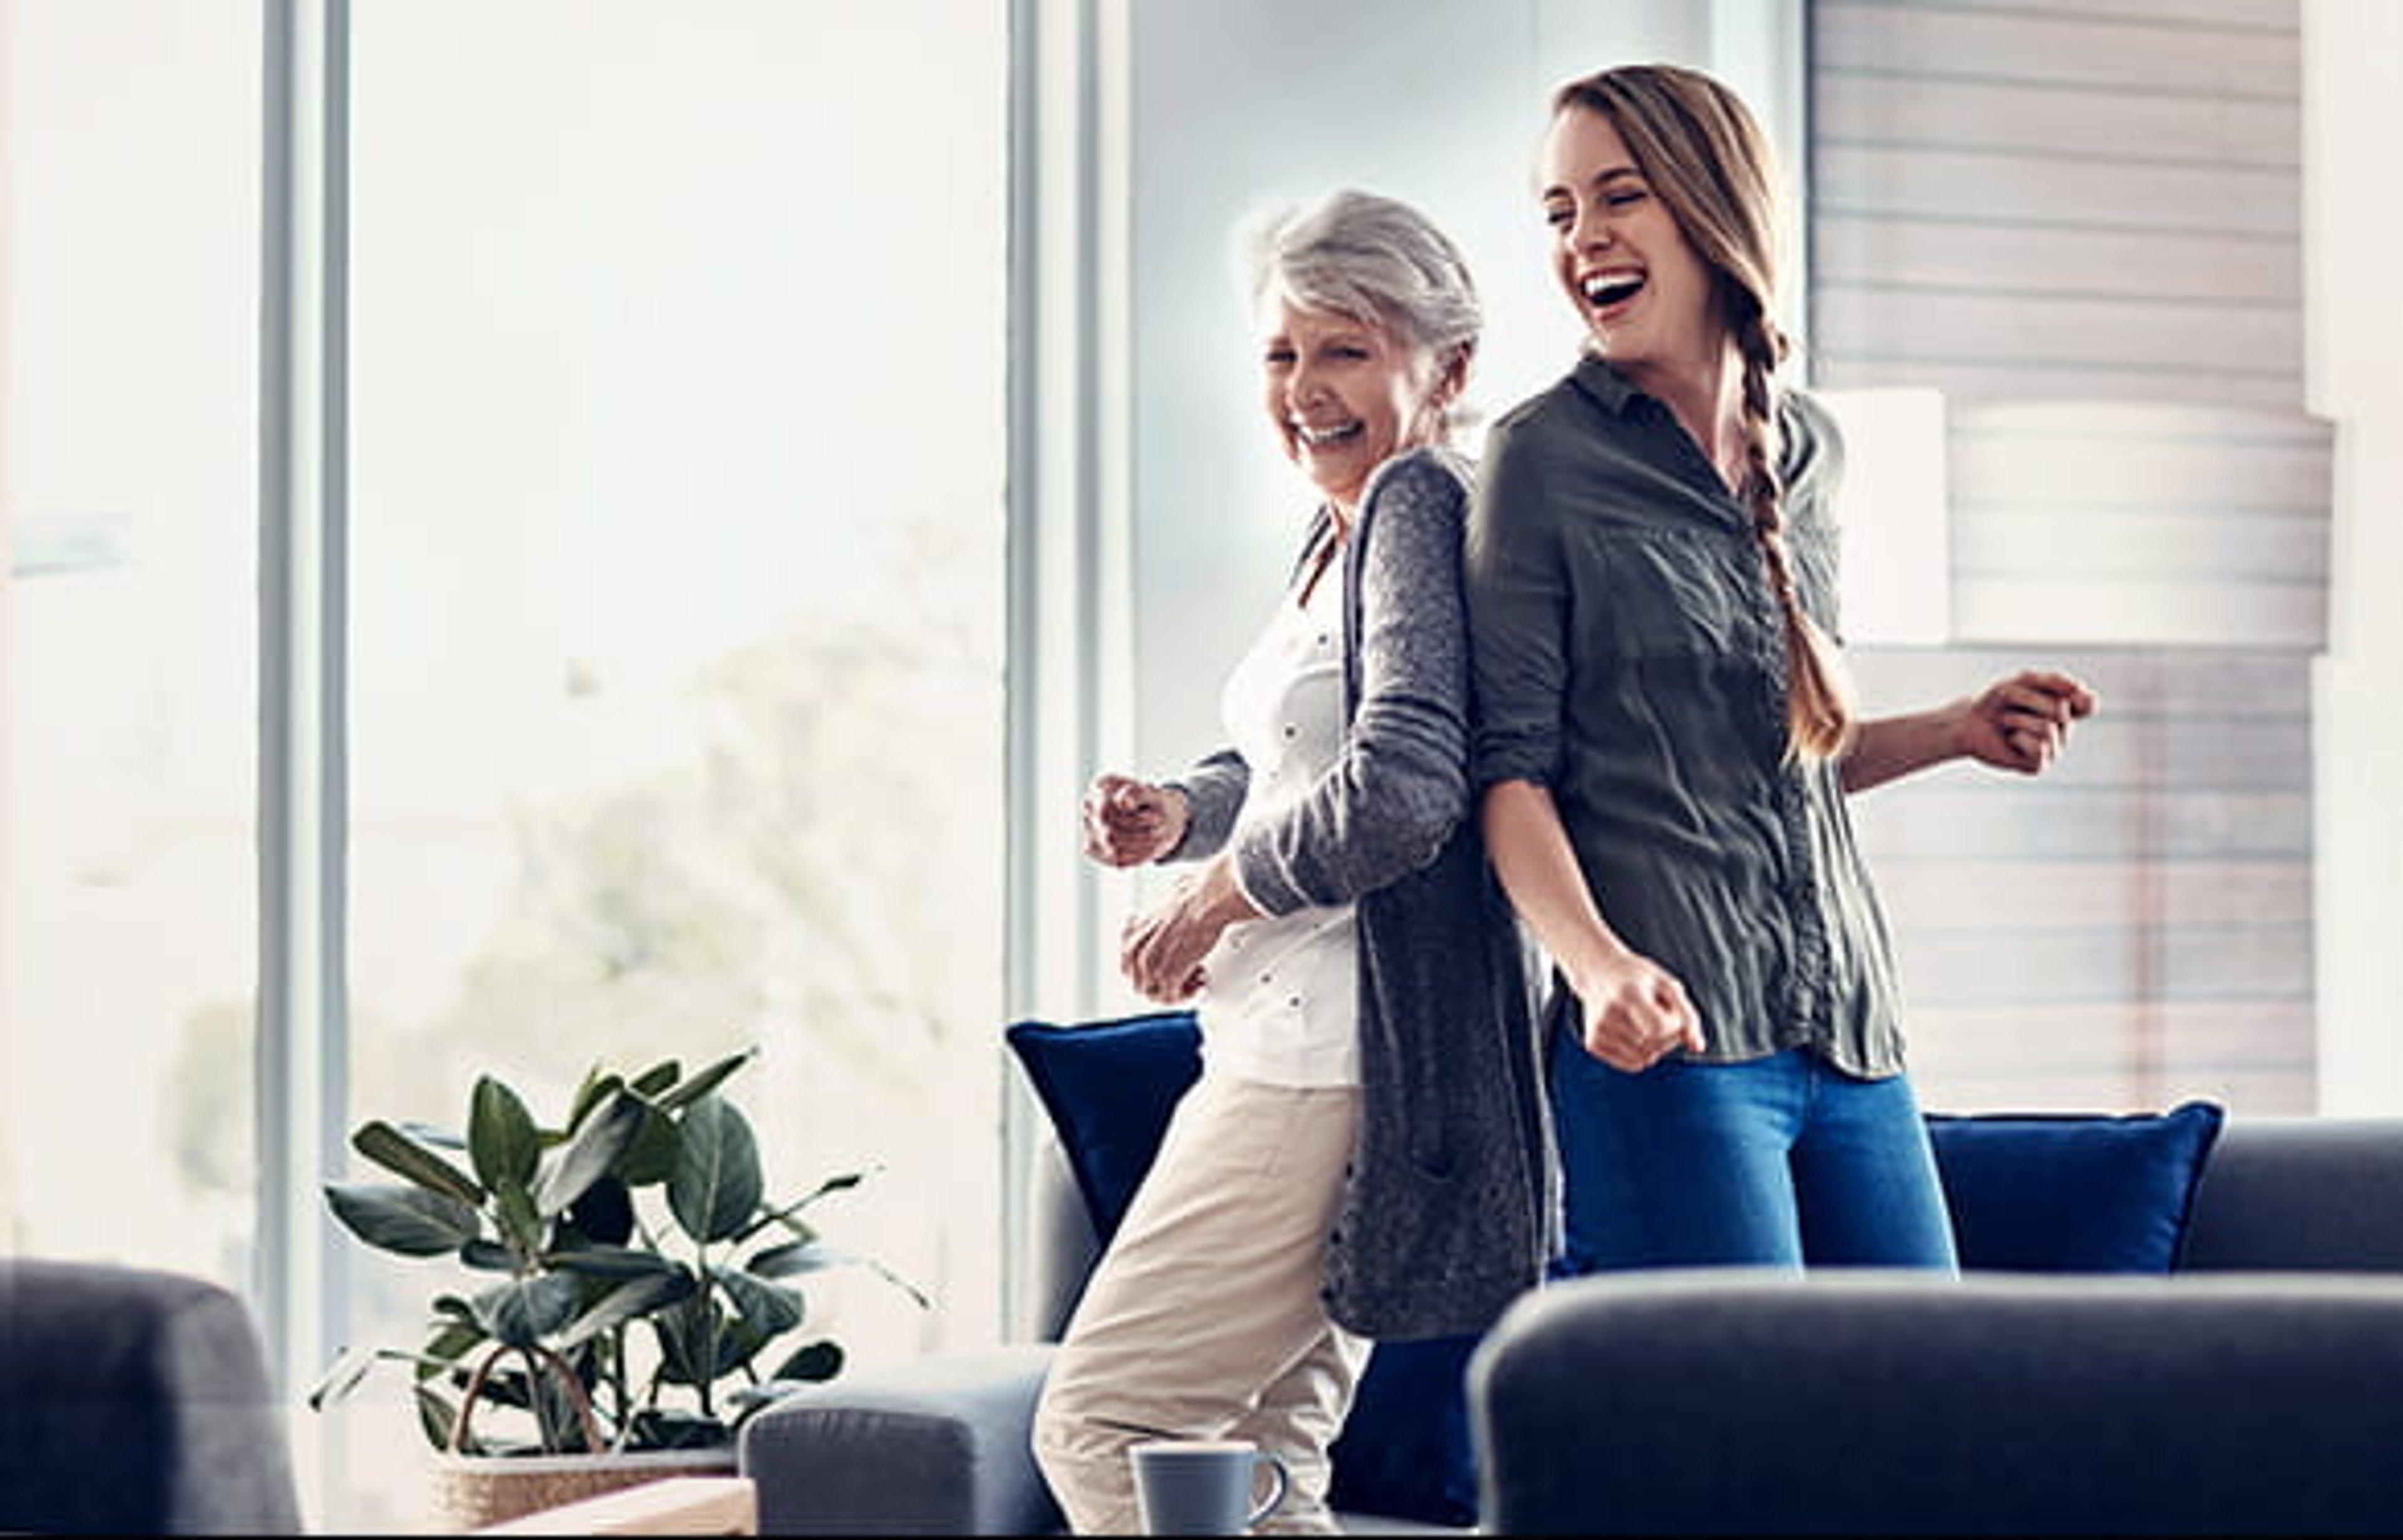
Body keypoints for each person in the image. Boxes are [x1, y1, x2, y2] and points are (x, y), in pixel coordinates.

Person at [1464, 62, 2099, 1276]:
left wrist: (1959, 728)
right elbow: (1510, 779)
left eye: (1619, 197)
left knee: (1929, 1405)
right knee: (1738, 1441)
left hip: (1854, 1033)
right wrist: (1598, 970)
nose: (1582, 238)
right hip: (1672, 1048)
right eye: (1559, 212)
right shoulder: (1537, 459)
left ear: (1711, 208)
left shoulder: (1814, 452)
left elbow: (1783, 753)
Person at [1030, 188, 1554, 1536]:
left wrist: (1214, 893)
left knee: (1105, 1421)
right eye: (1283, 353)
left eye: (1347, 350)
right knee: (1271, 1462)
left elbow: (1403, 789)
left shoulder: (1420, 502)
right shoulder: (1343, 527)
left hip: (1322, 1056)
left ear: (1448, 366)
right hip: (1297, 1039)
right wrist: (1182, 809)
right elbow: (1302, 763)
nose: (1306, 388)